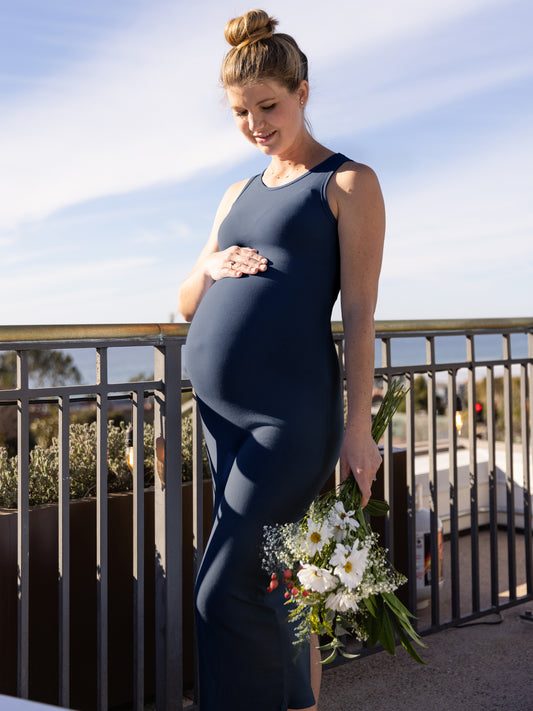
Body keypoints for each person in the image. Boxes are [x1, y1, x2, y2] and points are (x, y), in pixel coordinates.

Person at [178, 9, 385, 711]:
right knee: (274, 580)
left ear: (302, 91)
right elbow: (184, 303)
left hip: (287, 416)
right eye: (241, 112)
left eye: (268, 106)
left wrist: (359, 429)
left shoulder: (347, 183)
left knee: (223, 588)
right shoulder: (235, 193)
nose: (256, 124)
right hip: (219, 417)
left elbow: (357, 314)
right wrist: (210, 265)